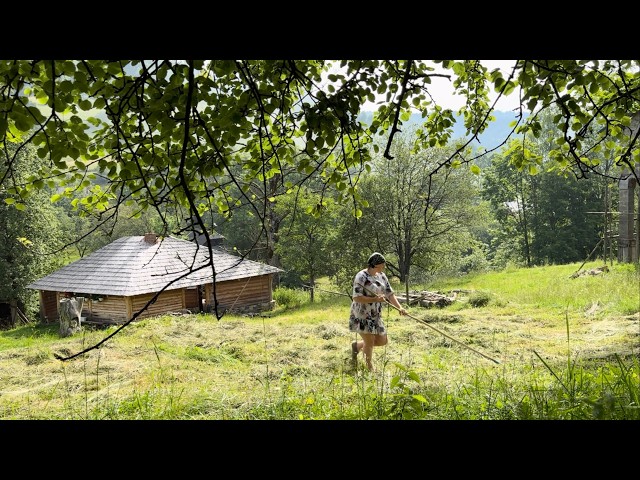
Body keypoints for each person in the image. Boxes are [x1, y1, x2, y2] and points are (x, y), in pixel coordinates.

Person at [349, 252, 407, 371]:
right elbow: (356, 297)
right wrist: (374, 299)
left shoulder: (382, 276)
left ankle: (357, 346)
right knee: (369, 341)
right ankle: (370, 369)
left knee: (382, 340)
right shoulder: (361, 277)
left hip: (376, 314)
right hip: (362, 314)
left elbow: (390, 294)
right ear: (375, 265)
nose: (383, 267)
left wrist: (400, 307)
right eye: (382, 265)